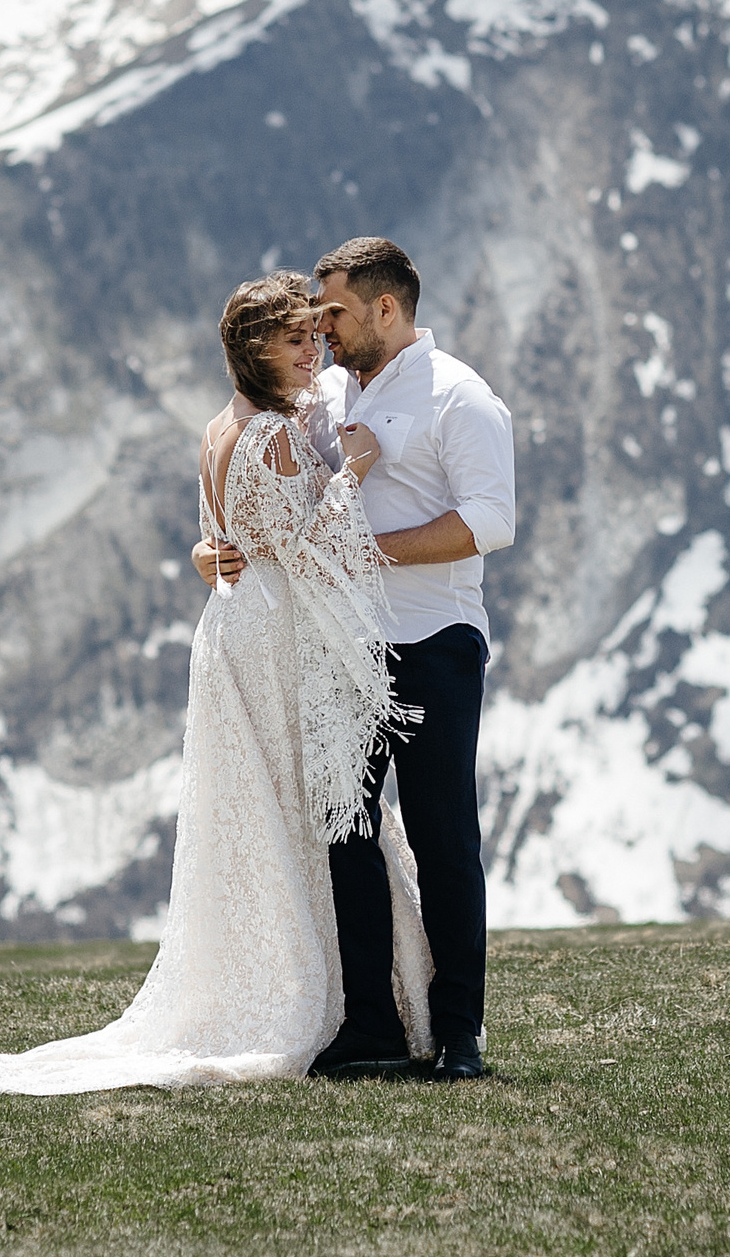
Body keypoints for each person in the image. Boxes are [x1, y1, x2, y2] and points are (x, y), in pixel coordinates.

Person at [0, 273, 435, 1095]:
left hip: (236, 624)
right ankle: (332, 997)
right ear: (255, 350)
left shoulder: (221, 427)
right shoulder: (273, 435)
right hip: (275, 626)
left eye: (315, 333)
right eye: (295, 338)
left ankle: (330, 986)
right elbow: (312, 546)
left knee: (272, 809)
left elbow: (220, 532)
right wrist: (353, 471)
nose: (312, 348)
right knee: (305, 806)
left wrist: (213, 552)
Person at [191, 238, 515, 1082]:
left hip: (436, 641)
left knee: (445, 837)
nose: (320, 327)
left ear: (385, 307)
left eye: (331, 311)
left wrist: (366, 553)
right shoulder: (326, 392)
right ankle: (369, 1020)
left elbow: (490, 522)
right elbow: (262, 487)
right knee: (348, 832)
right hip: (339, 649)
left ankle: (461, 1034)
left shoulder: (462, 398)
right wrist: (215, 546)